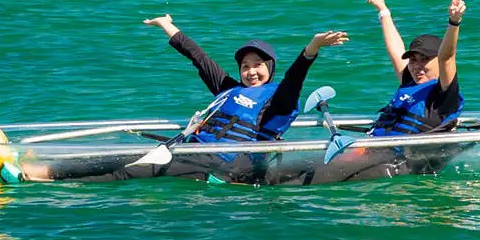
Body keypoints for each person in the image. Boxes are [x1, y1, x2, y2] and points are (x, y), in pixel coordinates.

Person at [142, 14, 348, 142]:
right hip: (197, 152)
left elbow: (294, 78)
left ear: (270, 68)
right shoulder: (228, 89)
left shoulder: (279, 99)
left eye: (258, 65)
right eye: (245, 66)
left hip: (235, 166)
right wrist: (166, 25)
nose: (251, 72)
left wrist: (312, 48)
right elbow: (199, 58)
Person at [363, 0, 468, 138]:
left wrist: (454, 21)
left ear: (438, 61)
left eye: (424, 59)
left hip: (404, 153)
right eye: (413, 60)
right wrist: (383, 10)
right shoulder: (410, 81)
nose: (417, 66)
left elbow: (447, 57)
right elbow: (395, 49)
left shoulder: (444, 95)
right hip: (374, 146)